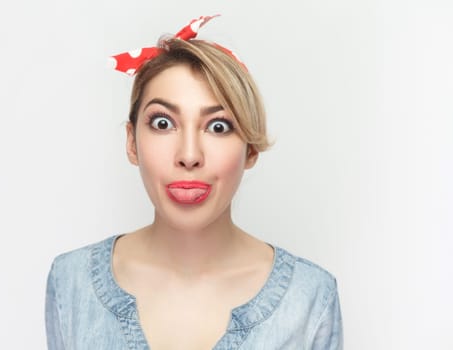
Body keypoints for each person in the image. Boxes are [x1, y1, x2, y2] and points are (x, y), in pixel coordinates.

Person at [45, 15, 343, 350]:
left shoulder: (310, 298)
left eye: (218, 127)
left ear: (251, 150)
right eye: (162, 122)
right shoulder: (71, 282)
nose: (189, 155)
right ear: (132, 143)